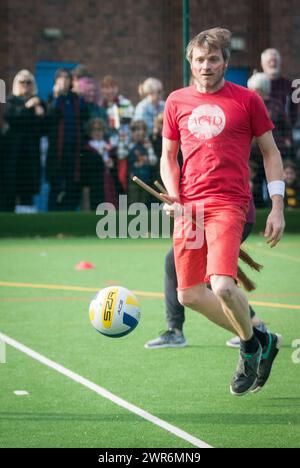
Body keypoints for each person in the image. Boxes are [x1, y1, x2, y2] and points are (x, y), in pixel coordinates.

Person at [160, 27, 285, 396]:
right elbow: (168, 157)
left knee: (223, 285)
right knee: (188, 295)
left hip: (229, 204)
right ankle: (259, 337)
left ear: (225, 63)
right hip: (188, 209)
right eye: (200, 59)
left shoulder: (247, 100)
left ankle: (249, 347)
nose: (206, 65)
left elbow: (271, 153)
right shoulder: (175, 102)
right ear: (190, 64)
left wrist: (277, 206)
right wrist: (173, 195)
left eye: (213, 59)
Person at [145, 193, 268, 350]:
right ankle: (175, 330)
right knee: (174, 261)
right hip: (198, 212)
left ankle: (254, 327)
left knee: (211, 273)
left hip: (228, 211)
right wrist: (175, 200)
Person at [1, 70, 45, 211]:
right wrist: (28, 107)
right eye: (22, 82)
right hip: (13, 154)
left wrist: (40, 111)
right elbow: (11, 117)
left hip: (30, 154)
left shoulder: (38, 102)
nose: (25, 85)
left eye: (28, 82)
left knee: (28, 191)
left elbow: (44, 126)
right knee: (10, 189)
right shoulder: (11, 101)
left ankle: (27, 221)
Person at [46, 68, 88, 210]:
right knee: (56, 185)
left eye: (66, 78)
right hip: (57, 151)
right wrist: (57, 96)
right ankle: (53, 214)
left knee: (73, 185)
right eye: (60, 78)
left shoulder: (76, 99)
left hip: (75, 151)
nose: (64, 81)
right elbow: (49, 118)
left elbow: (85, 116)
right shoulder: (52, 98)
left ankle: (68, 212)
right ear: (56, 81)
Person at [261, 48, 298, 128]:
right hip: (262, 131)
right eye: (270, 61)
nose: (273, 64)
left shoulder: (290, 85)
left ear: (280, 63)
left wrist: (288, 127)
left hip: (283, 131)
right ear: (263, 64)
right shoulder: (256, 84)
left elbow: (294, 111)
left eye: (275, 61)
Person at [127, 120, 157, 205]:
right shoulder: (129, 145)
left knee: (144, 202)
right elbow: (121, 155)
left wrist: (149, 148)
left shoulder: (147, 146)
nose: (140, 133)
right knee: (133, 201)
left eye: (142, 130)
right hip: (132, 179)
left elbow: (153, 162)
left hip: (145, 179)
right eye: (136, 130)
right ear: (132, 132)